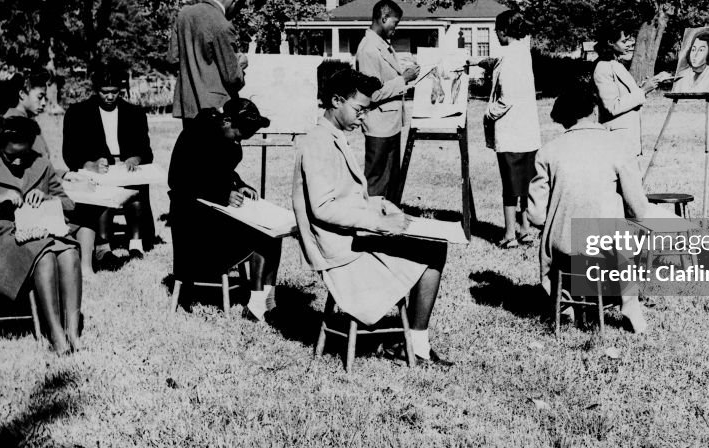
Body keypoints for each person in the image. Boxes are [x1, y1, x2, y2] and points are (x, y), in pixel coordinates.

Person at [293, 62, 451, 367]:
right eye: (360, 109)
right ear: (336, 101)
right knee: (433, 251)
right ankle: (417, 344)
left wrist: (379, 203)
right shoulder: (317, 142)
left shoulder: (331, 136)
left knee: (431, 243)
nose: (363, 116)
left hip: (349, 239)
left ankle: (416, 342)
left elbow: (345, 197)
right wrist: (379, 223)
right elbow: (323, 208)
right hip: (340, 252)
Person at [528, 81, 652, 334]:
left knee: (560, 238)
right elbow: (638, 209)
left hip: (563, 248)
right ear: (595, 110)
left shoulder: (547, 152)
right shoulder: (618, 146)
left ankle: (566, 304)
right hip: (606, 248)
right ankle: (629, 304)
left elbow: (536, 215)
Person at [0, 116, 81, 354]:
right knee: (44, 255)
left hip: (40, 229)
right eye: (10, 155)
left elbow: (69, 205)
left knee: (69, 252)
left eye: (23, 155)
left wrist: (47, 198)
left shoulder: (41, 164)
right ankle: (57, 337)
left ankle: (74, 334)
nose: (17, 160)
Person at [167, 98, 281, 322]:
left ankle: (267, 302)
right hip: (193, 224)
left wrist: (239, 185)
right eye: (238, 135)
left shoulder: (223, 133)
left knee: (274, 232)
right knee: (260, 233)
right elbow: (179, 180)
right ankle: (257, 306)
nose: (238, 142)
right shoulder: (194, 135)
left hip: (215, 216)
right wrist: (221, 194)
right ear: (227, 121)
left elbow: (221, 171)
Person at [5, 70, 100, 269]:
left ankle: (83, 265)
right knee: (88, 208)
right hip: (32, 202)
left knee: (87, 201)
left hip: (43, 192)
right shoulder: (14, 126)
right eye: (39, 97)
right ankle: (85, 269)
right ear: (22, 94)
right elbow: (14, 174)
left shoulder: (27, 123)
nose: (43, 103)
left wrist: (67, 175)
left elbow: (42, 166)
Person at [62, 64, 155, 260]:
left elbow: (146, 151)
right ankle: (103, 246)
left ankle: (136, 243)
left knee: (135, 188)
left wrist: (135, 158)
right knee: (102, 191)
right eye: (105, 92)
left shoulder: (134, 113)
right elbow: (69, 153)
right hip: (97, 170)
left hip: (125, 169)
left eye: (115, 92)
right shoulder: (78, 113)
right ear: (96, 90)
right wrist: (89, 164)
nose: (110, 97)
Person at [486, 10, 542, 248]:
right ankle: (525, 229)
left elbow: (506, 98)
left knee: (510, 186)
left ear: (503, 31)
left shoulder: (508, 57)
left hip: (510, 132)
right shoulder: (522, 52)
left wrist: (488, 113)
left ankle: (510, 233)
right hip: (528, 131)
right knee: (526, 185)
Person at [354, 0, 420, 200]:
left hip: (390, 123)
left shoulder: (381, 44)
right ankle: (371, 227)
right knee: (377, 181)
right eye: (395, 22)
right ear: (384, 18)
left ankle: (387, 223)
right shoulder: (368, 49)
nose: (396, 28)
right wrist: (404, 80)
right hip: (378, 126)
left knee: (391, 179)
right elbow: (372, 93)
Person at [168, 0, 249, 126]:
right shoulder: (222, 24)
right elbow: (232, 78)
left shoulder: (184, 14)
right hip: (217, 109)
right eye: (241, 6)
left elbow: (173, 59)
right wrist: (241, 65)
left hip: (189, 105)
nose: (237, 12)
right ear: (236, 0)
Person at [592, 23, 675, 159]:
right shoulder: (603, 67)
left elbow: (624, 94)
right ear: (610, 42)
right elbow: (612, 106)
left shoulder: (616, 64)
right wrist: (643, 91)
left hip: (626, 137)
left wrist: (648, 84)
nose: (629, 44)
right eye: (624, 41)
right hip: (616, 138)